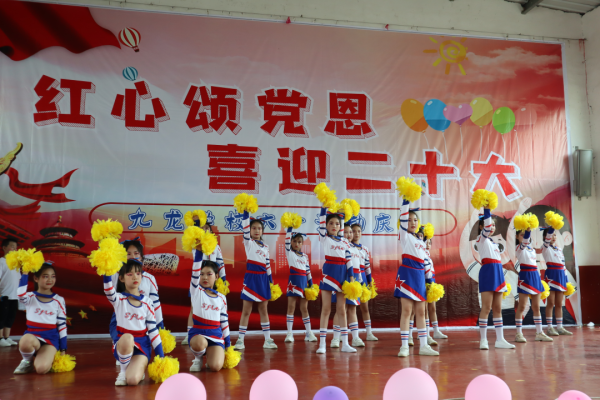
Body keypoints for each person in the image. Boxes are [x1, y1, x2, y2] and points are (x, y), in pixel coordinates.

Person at [104, 259, 164, 386]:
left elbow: (153, 332)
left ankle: (136, 370)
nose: (135, 277)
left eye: (138, 273)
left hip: (142, 346)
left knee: (132, 381)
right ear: (121, 278)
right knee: (127, 338)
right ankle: (123, 371)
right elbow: (108, 290)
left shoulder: (148, 303)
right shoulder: (118, 299)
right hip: (124, 344)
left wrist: (161, 358)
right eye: (130, 274)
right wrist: (106, 268)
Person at [395, 199, 438, 357]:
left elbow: (426, 263)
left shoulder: (421, 241)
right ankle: (404, 346)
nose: (412, 222)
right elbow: (403, 217)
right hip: (407, 275)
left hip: (420, 276)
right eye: (409, 220)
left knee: (421, 311)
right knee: (407, 310)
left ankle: (424, 346)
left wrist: (430, 282)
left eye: (415, 220)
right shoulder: (404, 236)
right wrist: (406, 200)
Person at [316, 207, 357, 354]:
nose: (334, 226)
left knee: (342, 310)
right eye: (331, 223)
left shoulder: (345, 242)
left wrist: (351, 279)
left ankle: (345, 344)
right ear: (326, 226)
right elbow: (322, 221)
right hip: (329, 274)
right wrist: (324, 207)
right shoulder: (324, 238)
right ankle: (322, 345)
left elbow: (349, 261)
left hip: (342, 275)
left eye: (337, 224)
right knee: (326, 309)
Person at [14, 263, 67, 374]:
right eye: (45, 276)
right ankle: (27, 361)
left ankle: (46, 355)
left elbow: (62, 326)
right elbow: (20, 294)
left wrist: (63, 349)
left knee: (41, 369)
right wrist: (25, 273)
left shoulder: (59, 300)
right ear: (36, 278)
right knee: (25, 340)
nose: (50, 279)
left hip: (50, 340)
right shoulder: (29, 297)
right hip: (32, 338)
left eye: (53, 276)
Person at [234, 212, 276, 350]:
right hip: (251, 278)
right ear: (250, 230)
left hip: (263, 279)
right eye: (254, 228)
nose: (257, 230)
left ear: (262, 231)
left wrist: (270, 281)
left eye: (259, 228)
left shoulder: (266, 246)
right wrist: (246, 212)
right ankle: (240, 340)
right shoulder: (248, 243)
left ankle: (267, 340)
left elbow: (268, 265)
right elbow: (245, 228)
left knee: (264, 310)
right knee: (246, 311)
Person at [476, 204, 515, 350]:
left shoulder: (493, 243)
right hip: (487, 272)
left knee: (498, 308)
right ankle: (483, 340)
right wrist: (487, 210)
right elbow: (486, 228)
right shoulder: (481, 239)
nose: (491, 227)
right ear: (482, 227)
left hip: (498, 273)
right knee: (486, 307)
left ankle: (500, 340)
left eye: (493, 225)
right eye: (489, 225)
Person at [183, 218, 225, 345]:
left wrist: (223, 280)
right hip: (198, 278)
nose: (205, 230)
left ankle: (217, 333)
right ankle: (189, 334)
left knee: (214, 307)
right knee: (193, 308)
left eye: (207, 228)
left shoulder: (216, 246)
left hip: (212, 279)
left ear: (211, 231)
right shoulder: (196, 245)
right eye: (202, 228)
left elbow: (221, 263)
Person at [188, 253, 230, 372]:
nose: (205, 277)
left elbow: (224, 322)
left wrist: (228, 345)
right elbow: (195, 272)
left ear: (216, 276)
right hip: (198, 335)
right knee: (200, 343)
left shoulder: (221, 298)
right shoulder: (196, 291)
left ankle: (210, 356)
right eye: (201, 274)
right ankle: (198, 358)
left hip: (215, 335)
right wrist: (199, 253)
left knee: (216, 367)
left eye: (209, 274)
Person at [515, 227, 553, 342]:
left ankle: (539, 333)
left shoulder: (531, 249)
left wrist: (551, 229)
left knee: (536, 307)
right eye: (521, 235)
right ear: (517, 237)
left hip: (535, 276)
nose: (524, 237)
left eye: (525, 234)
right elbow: (525, 241)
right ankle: (519, 334)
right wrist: (528, 231)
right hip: (525, 277)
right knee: (522, 307)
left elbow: (546, 244)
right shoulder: (519, 248)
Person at [284, 226, 317, 343]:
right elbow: (286, 241)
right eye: (294, 241)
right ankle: (289, 333)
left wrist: (311, 285)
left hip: (304, 283)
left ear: (302, 243)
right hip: (293, 282)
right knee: (291, 307)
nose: (297, 244)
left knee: (304, 308)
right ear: (291, 242)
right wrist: (289, 229)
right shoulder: (289, 252)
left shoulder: (305, 256)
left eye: (299, 242)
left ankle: (309, 333)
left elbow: (308, 271)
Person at [542, 227, 573, 336]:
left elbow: (563, 265)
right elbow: (548, 238)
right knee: (551, 303)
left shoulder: (559, 249)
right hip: (551, 276)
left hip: (561, 277)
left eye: (555, 235)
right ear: (546, 237)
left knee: (559, 303)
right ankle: (550, 328)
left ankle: (560, 327)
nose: (553, 237)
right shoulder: (545, 247)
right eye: (551, 235)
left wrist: (566, 280)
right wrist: (553, 225)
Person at [351, 223, 378, 342]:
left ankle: (369, 333)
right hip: (352, 279)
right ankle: (343, 334)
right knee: (348, 308)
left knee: (365, 308)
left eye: (359, 231)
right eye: (354, 231)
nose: (356, 233)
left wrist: (369, 281)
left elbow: (367, 267)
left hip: (363, 280)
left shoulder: (365, 249)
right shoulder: (347, 247)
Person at [424, 233, 447, 343]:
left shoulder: (428, 255)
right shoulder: (420, 255)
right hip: (423, 284)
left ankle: (436, 331)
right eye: (426, 242)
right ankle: (425, 333)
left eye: (430, 243)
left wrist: (432, 284)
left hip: (431, 284)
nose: (428, 245)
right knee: (424, 310)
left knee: (432, 308)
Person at [0, 237, 19, 347]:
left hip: (14, 296)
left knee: (10, 317)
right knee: (1, 317)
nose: (15, 249)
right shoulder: (1, 262)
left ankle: (6, 337)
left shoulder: (16, 264)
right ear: (4, 248)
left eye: (16, 247)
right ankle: (0, 339)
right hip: (4, 295)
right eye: (12, 247)